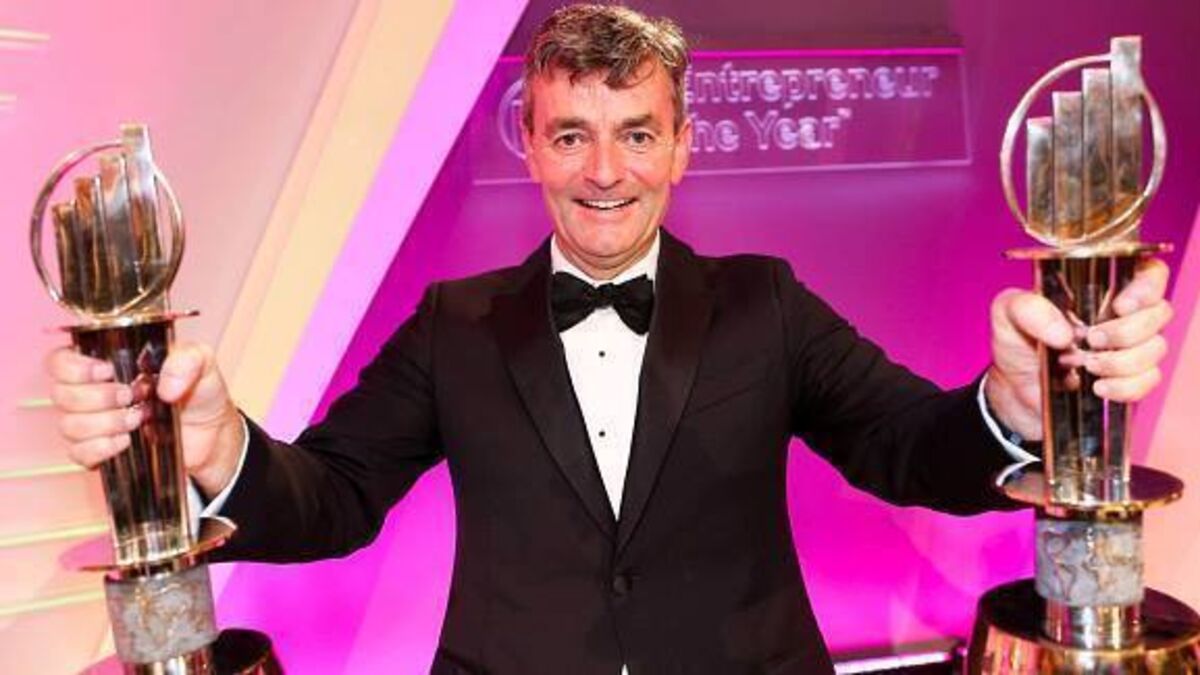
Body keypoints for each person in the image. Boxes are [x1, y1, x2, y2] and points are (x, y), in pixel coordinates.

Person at [46, 5, 1173, 674]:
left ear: (683, 147)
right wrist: (214, 445)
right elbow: (332, 501)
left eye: (637, 133)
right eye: (571, 134)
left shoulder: (765, 303)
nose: (603, 171)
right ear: (529, 142)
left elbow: (908, 447)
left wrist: (1012, 405)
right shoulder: (453, 323)